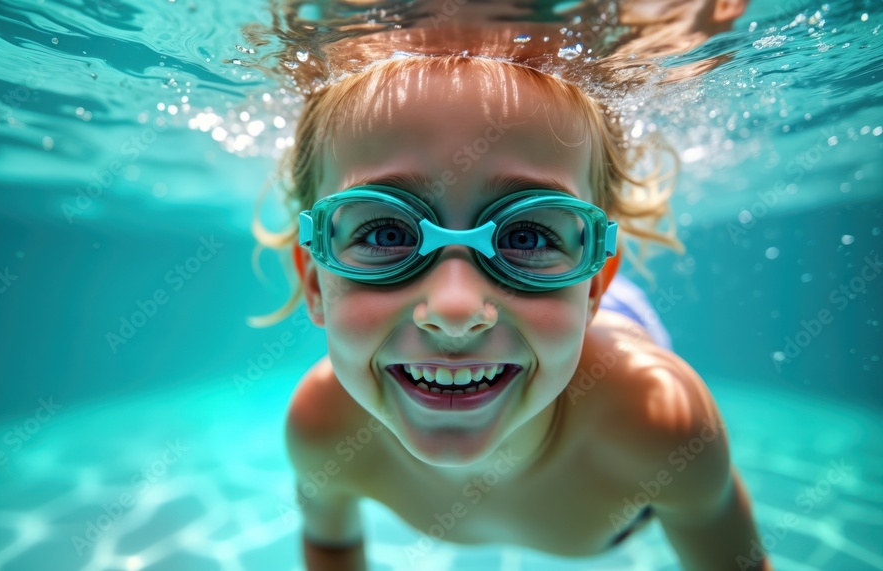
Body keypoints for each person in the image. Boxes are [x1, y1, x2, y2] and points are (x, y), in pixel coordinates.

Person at [248, 10, 769, 571]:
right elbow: (330, 549)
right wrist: (535, 250)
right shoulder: (322, 427)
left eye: (526, 234)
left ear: (596, 285)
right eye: (386, 234)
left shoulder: (660, 425)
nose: (455, 309)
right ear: (314, 283)